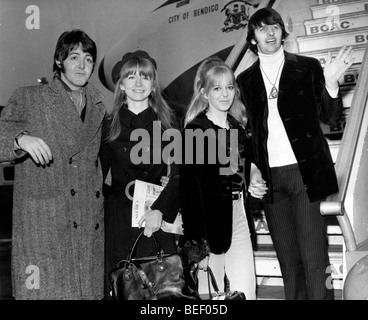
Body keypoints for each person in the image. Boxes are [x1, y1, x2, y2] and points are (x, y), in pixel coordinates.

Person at [236, 7, 355, 300]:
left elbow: (332, 118)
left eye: (275, 26)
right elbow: (247, 135)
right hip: (270, 181)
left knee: (315, 259)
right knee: (289, 264)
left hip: (305, 174)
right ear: (253, 38)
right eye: (263, 28)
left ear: (282, 31)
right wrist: (251, 169)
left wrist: (330, 83)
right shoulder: (245, 81)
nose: (271, 32)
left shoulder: (307, 66)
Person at [0, 29, 106, 299]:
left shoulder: (98, 106)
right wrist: (20, 139)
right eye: (74, 58)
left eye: (89, 59)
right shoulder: (29, 97)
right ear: (59, 61)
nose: (82, 66)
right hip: (45, 227)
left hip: (87, 224)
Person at [179, 57, 267, 300]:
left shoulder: (237, 129)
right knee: (210, 299)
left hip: (238, 215)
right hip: (209, 227)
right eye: (217, 88)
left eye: (230, 87)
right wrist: (197, 247)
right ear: (205, 93)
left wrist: (253, 174)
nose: (225, 94)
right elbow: (188, 192)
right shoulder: (196, 131)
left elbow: (237, 172)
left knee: (246, 293)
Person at [99, 50, 181, 298]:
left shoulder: (168, 122)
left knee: (165, 292)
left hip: (157, 216)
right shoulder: (109, 123)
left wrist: (160, 209)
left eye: (144, 77)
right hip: (120, 223)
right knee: (126, 291)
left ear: (153, 84)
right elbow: (97, 176)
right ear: (121, 84)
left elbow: (180, 174)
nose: (138, 83)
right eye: (131, 77)